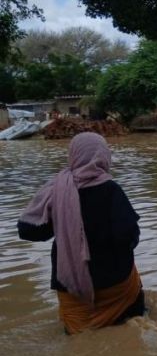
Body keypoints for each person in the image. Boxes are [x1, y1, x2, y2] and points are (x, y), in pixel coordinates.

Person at [17, 132, 145, 335]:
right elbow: (129, 235)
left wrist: (62, 222)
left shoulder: (56, 190)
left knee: (77, 339)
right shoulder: (110, 190)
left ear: (73, 155)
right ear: (103, 155)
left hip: (70, 287)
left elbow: (28, 231)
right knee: (133, 326)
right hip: (115, 283)